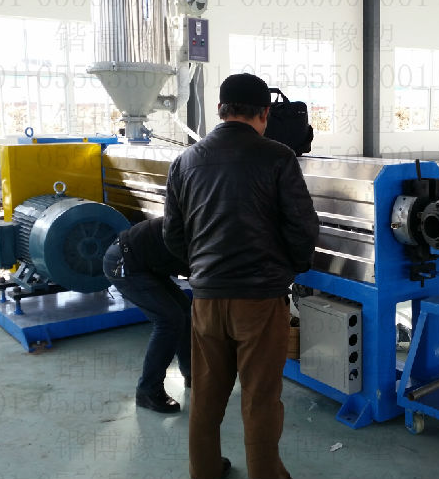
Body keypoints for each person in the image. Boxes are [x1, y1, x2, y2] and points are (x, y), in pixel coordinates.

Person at [163, 73, 319, 479]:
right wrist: (290, 269)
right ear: (265, 113)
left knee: (206, 396)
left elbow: (172, 235)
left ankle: (205, 471)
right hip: (260, 301)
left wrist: (202, 271)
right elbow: (303, 228)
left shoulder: (185, 161)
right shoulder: (278, 157)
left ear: (220, 110)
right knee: (260, 398)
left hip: (206, 301)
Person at [102, 216, 192, 414]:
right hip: (124, 261)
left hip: (148, 264)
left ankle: (192, 373)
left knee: (184, 310)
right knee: (169, 320)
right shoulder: (207, 234)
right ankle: (148, 391)